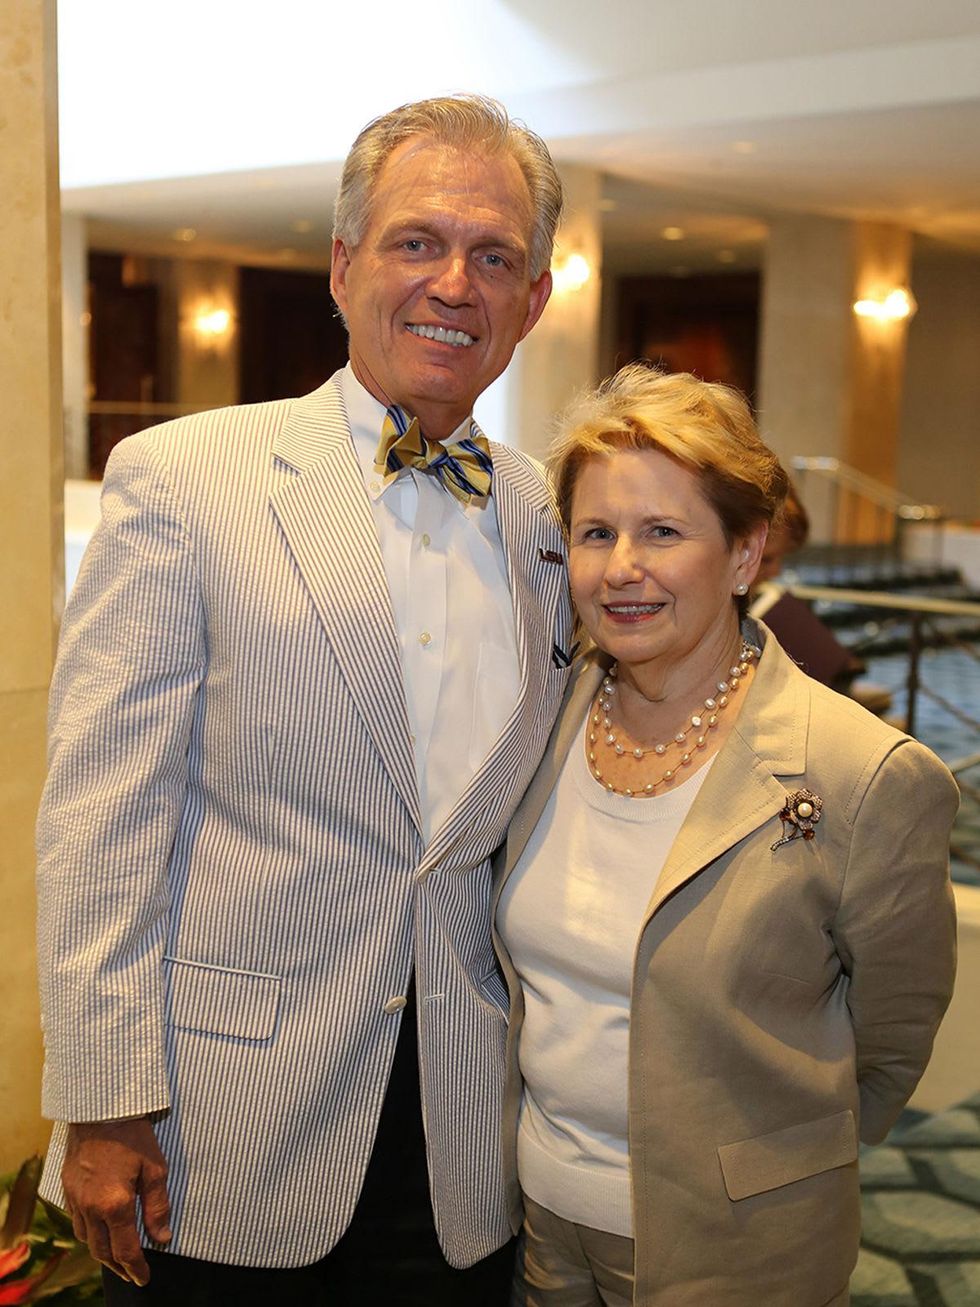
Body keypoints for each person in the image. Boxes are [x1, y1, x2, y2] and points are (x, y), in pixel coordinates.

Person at [36, 95, 573, 1306]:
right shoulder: (184, 478)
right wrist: (105, 1100)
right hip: (221, 1125)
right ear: (342, 266)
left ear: (534, 298)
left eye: (494, 257)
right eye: (416, 242)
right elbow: (102, 819)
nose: (454, 284)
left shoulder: (554, 516)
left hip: (466, 1132)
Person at [493, 364, 958, 1306]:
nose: (622, 566)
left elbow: (891, 1038)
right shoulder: (538, 718)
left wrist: (778, 1162)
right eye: (595, 532)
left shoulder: (862, 773)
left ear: (746, 554)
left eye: (663, 531)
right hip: (539, 1223)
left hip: (739, 1249)